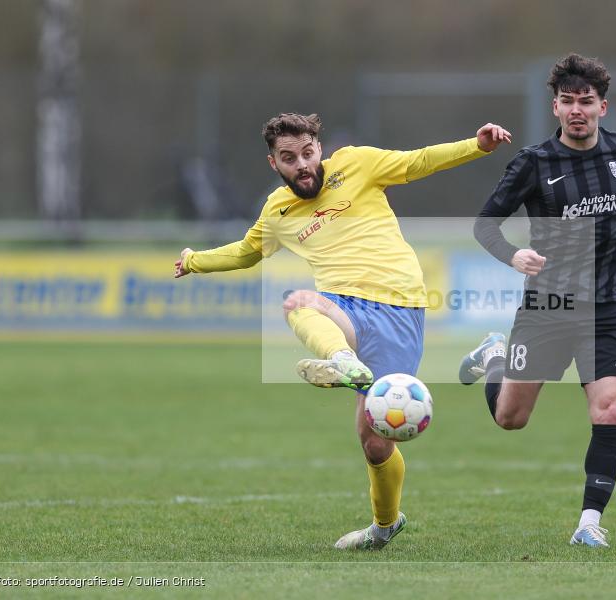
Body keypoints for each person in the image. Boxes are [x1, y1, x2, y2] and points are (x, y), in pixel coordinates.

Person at [174, 113, 511, 550]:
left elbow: (419, 162)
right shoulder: (277, 210)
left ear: (320, 148)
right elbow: (245, 253)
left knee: (374, 443)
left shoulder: (357, 164)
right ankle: (342, 361)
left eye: (308, 153)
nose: (302, 165)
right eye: (289, 158)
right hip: (344, 311)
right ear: (274, 163)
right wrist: (194, 260)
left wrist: (477, 145)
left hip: (397, 309)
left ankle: (384, 526)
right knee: (297, 302)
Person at [458, 54, 616, 548]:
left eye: (586, 102)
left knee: (609, 409)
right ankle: (494, 357)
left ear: (602, 107)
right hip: (547, 308)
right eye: (568, 101)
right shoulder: (533, 163)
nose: (577, 110)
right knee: (511, 419)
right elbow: (484, 224)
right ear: (555, 107)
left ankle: (588, 523)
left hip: (607, 305)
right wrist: (513, 256)